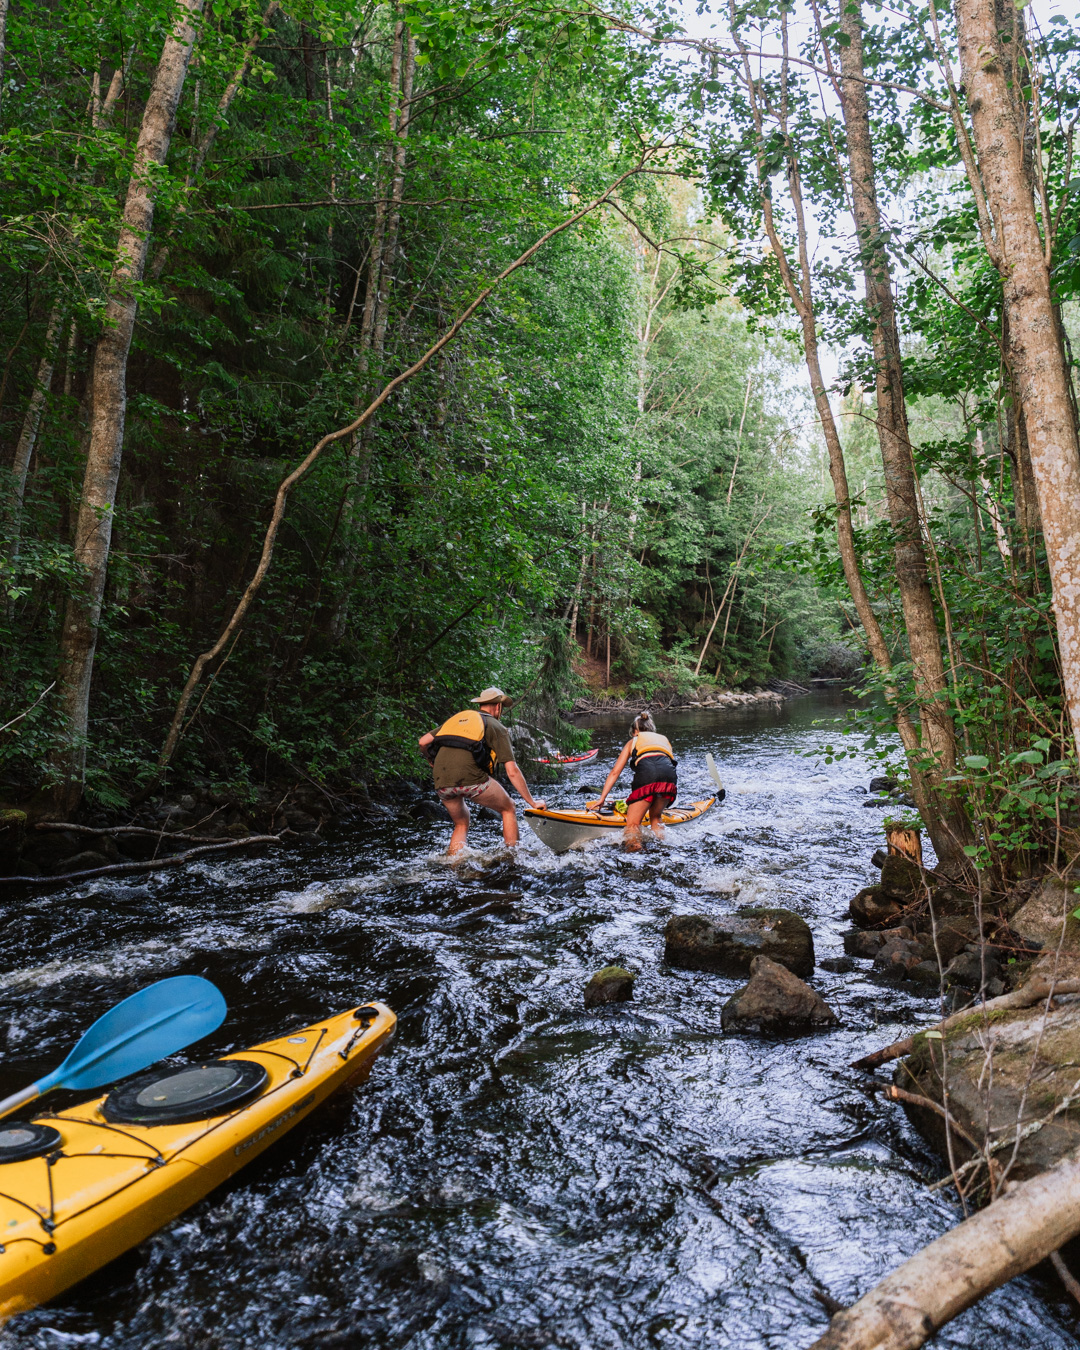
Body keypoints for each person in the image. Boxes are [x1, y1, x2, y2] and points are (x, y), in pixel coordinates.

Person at [418, 687, 546, 855]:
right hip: (471, 778)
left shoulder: (458, 719)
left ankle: (453, 865)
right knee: (508, 808)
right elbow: (512, 770)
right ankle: (513, 858)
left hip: (442, 781)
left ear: (481, 704)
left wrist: (430, 760)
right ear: (498, 707)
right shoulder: (496, 726)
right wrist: (532, 802)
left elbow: (423, 742)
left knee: (461, 823)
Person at [588, 711, 677, 849]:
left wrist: (602, 798)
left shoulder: (634, 741)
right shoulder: (664, 739)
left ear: (635, 731)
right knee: (656, 817)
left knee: (633, 824)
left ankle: (634, 850)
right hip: (669, 777)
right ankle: (662, 847)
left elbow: (615, 772)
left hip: (647, 774)